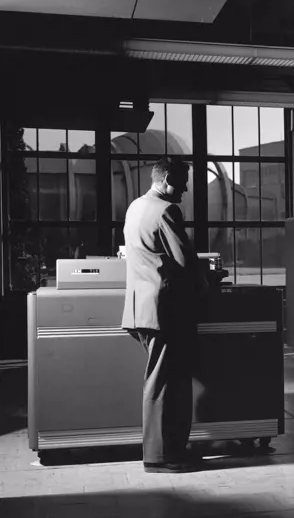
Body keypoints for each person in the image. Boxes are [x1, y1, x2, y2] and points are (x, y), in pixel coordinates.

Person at [121, 157, 206, 473]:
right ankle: (160, 456)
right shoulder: (167, 210)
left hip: (141, 310)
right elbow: (185, 260)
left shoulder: (135, 207)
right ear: (167, 177)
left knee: (164, 380)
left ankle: (169, 450)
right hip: (164, 310)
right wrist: (206, 279)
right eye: (182, 181)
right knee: (163, 383)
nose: (184, 189)